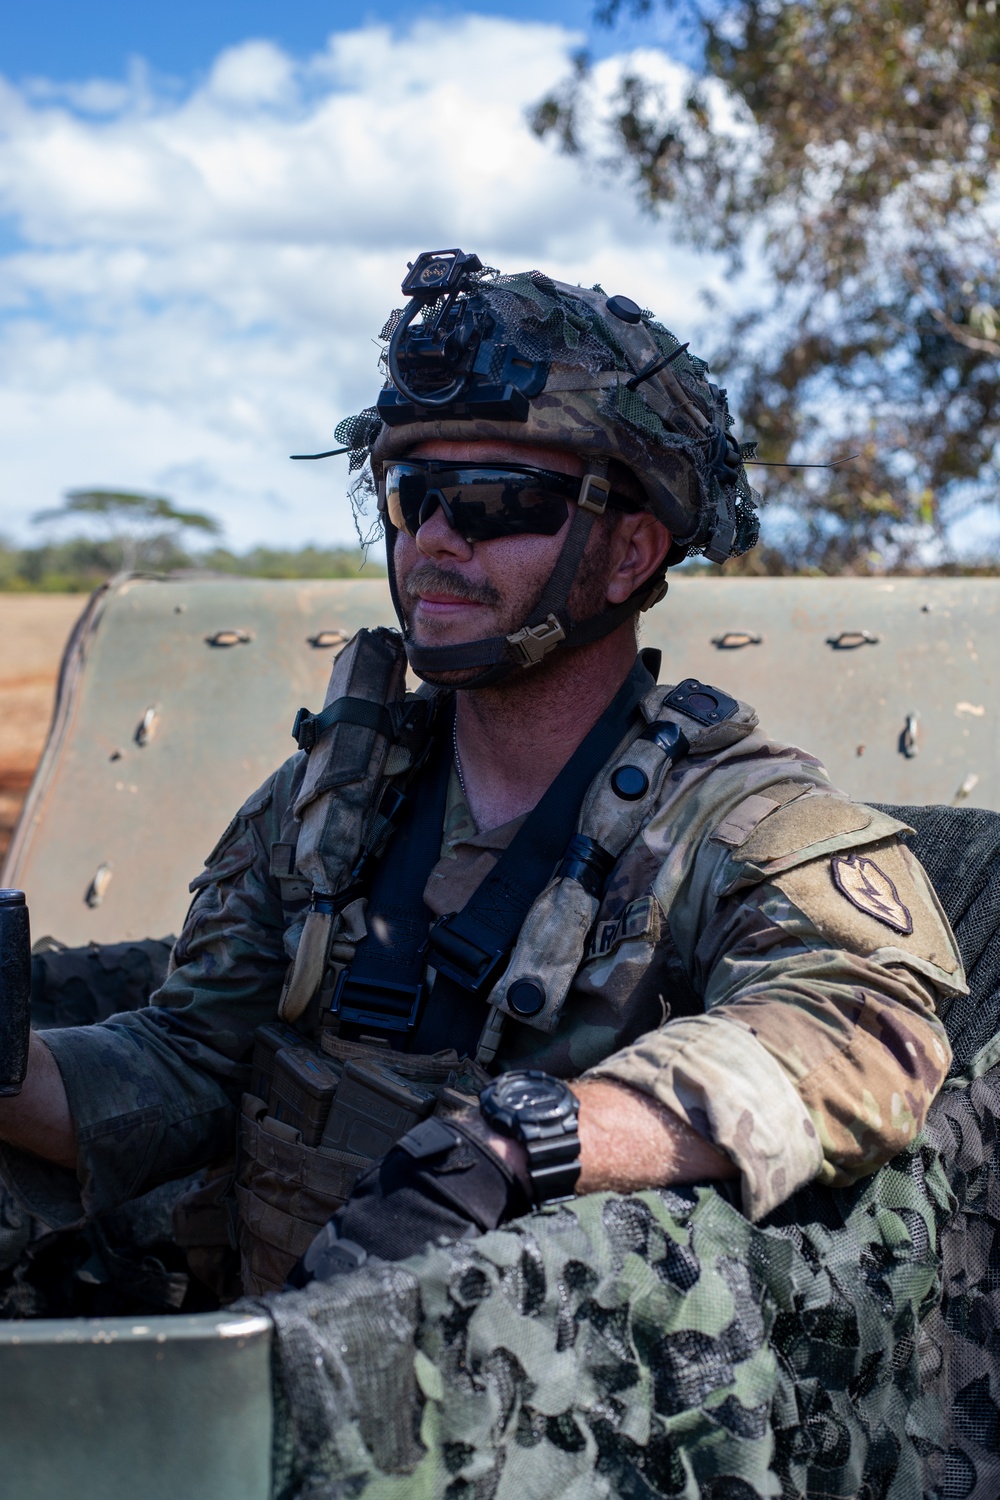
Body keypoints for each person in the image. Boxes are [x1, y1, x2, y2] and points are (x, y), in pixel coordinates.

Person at [0, 251, 963, 1299]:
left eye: (499, 500)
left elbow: (863, 1032)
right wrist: (13, 1072)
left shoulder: (737, 824)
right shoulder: (329, 803)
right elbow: (187, 1065)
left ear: (631, 550)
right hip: (263, 1381)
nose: (438, 542)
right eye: (415, 495)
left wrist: (525, 1145)